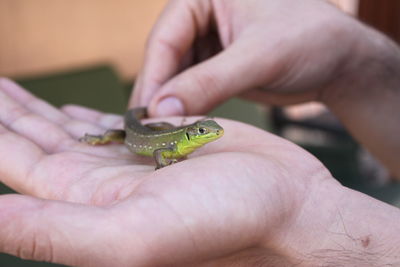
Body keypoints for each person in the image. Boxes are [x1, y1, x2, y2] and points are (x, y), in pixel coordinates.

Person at [0, 0, 399, 266]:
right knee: (117, 134)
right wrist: (351, 63)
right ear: (191, 135)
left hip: (152, 128)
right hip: (135, 133)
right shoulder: (170, 144)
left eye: (206, 131)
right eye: (205, 130)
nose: (211, 133)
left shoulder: (181, 141)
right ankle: (102, 136)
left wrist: (297, 212)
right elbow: (160, 156)